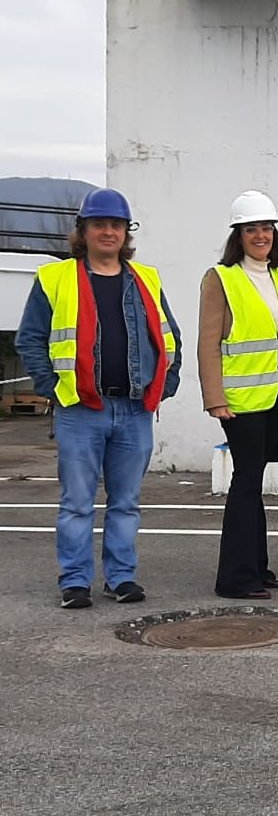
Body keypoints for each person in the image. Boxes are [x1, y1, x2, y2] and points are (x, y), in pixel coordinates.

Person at [15, 188, 181, 609]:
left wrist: (165, 384)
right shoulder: (55, 279)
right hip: (80, 410)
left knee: (126, 503)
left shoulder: (146, 279)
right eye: (99, 224)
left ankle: (120, 577)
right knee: (76, 503)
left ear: (126, 232)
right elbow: (30, 339)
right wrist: (53, 388)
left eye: (116, 225)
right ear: (83, 231)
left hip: (134, 409)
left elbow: (170, 338)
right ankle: (74, 581)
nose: (109, 232)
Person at [199, 191, 278, 600]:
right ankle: (234, 578)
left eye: (266, 228)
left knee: (256, 481)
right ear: (239, 235)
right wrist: (214, 397)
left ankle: (257, 568)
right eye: (252, 229)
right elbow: (208, 341)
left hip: (277, 397)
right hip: (240, 401)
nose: (261, 235)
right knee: (246, 482)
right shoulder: (221, 278)